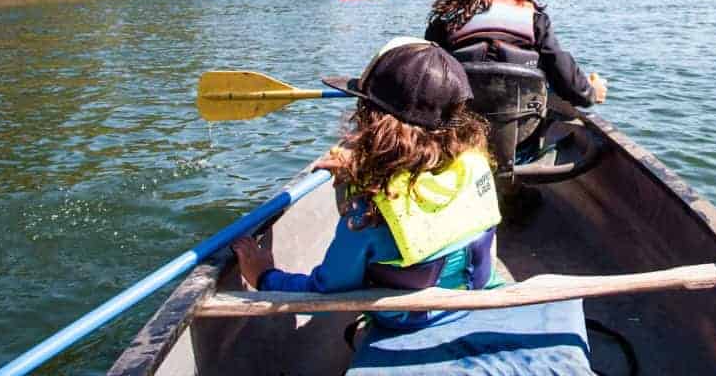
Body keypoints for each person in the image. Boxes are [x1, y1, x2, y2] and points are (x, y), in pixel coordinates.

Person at [230, 37, 594, 373]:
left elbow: (327, 291)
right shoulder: (474, 161)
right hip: (478, 296)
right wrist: (358, 172)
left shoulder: (371, 211)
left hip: (410, 325)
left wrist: (265, 276)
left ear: (373, 121)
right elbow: (423, 184)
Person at [425, 0, 607, 108]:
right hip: (522, 134)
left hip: (459, 131)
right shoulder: (535, 20)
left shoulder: (442, 23)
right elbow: (563, 74)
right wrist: (590, 92)